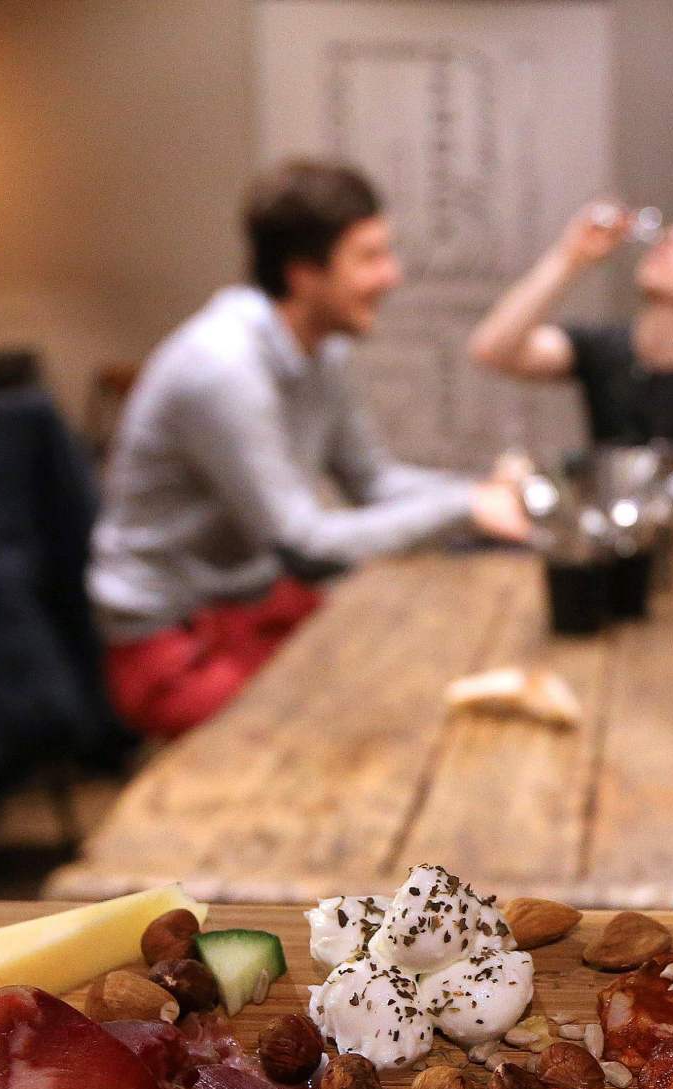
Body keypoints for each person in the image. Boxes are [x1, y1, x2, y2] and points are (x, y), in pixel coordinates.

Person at [89, 159, 528, 737]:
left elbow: (373, 482)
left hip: (252, 606)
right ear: (302, 275)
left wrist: (483, 491)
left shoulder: (322, 349)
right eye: (369, 258)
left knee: (422, 688)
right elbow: (304, 544)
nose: (392, 275)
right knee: (355, 737)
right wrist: (465, 508)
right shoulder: (223, 370)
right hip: (173, 641)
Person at [467, 202, 673, 461]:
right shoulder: (605, 347)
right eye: (669, 237)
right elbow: (493, 350)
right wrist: (571, 256)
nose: (667, 246)